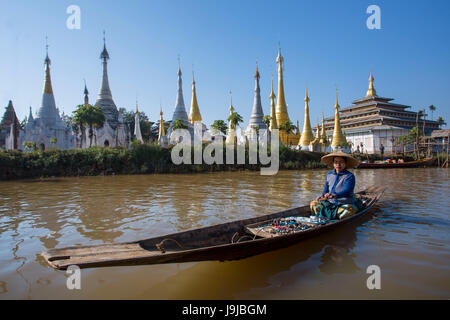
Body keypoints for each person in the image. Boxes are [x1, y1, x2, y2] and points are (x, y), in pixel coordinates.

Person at [310, 151, 360, 220]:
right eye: (336, 162)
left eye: (341, 162)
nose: (338, 164)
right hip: (330, 203)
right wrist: (322, 196)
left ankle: (329, 216)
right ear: (333, 163)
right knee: (313, 204)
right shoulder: (329, 174)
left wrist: (334, 195)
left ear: (345, 163)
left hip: (344, 203)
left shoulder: (349, 176)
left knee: (349, 210)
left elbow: (347, 191)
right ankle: (332, 216)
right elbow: (326, 188)